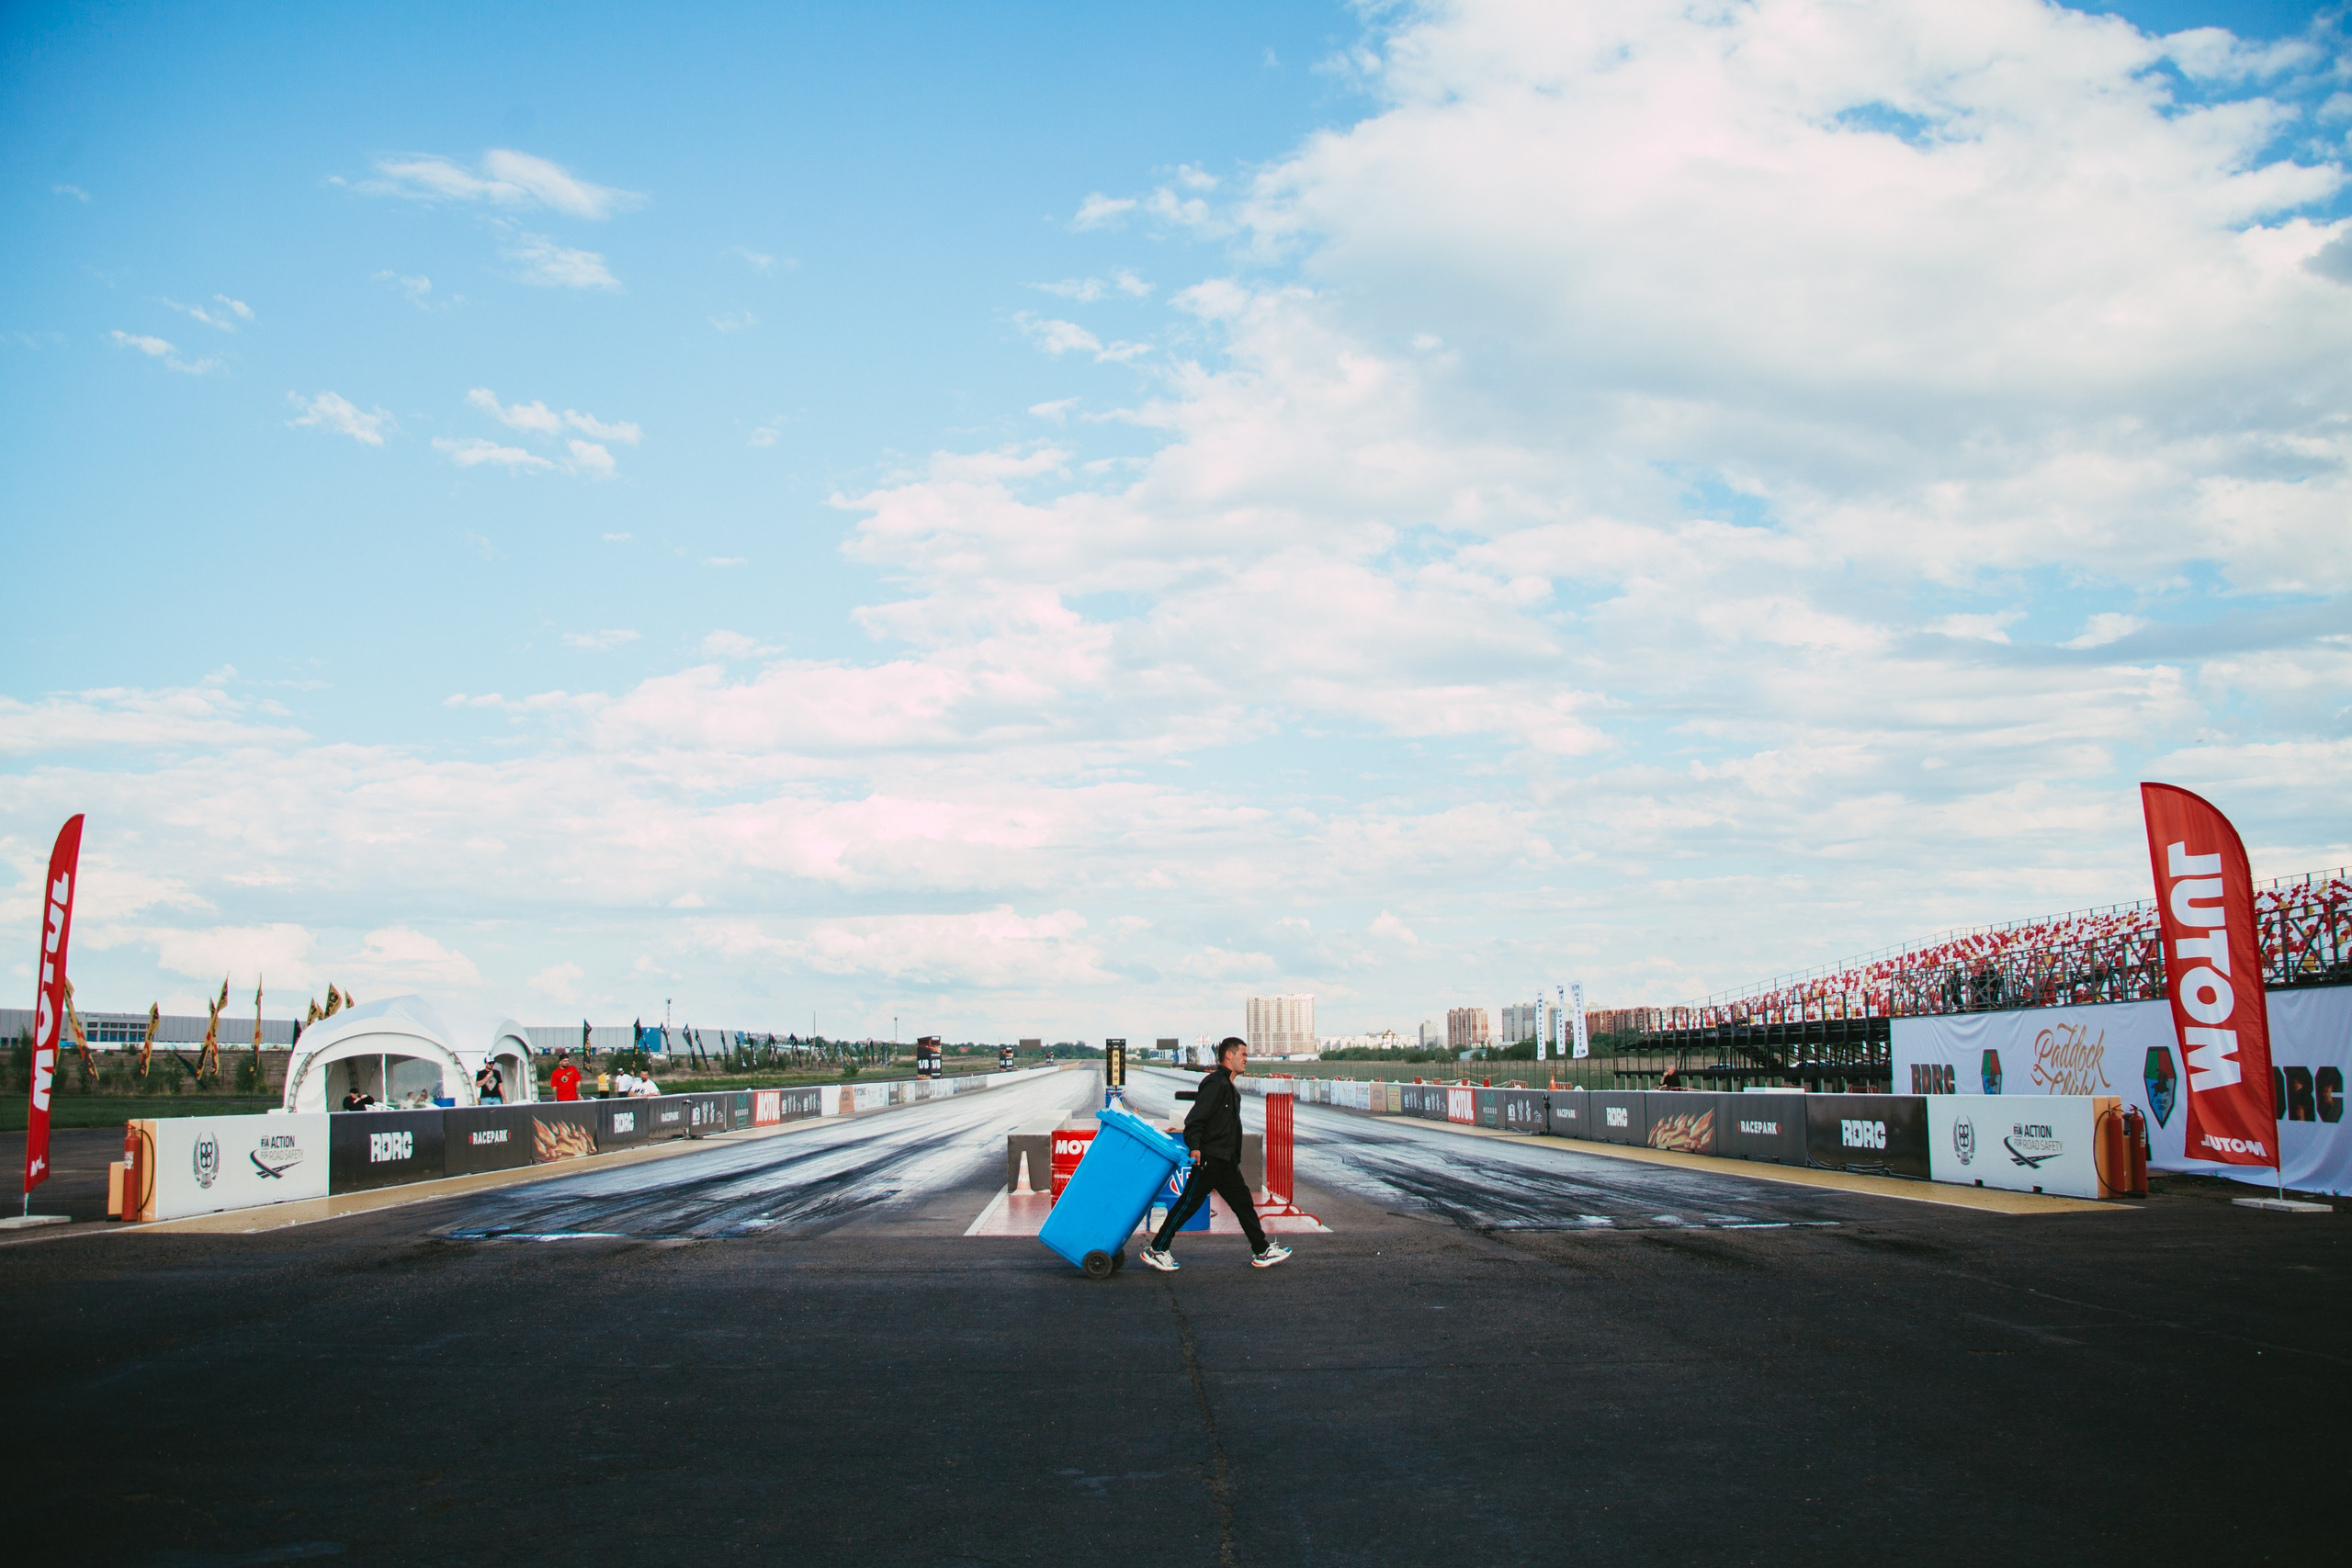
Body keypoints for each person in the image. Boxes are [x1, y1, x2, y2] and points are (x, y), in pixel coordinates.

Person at [1140, 1037, 1290, 1271]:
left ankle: (1262, 1250)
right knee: (1188, 1205)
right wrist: (1195, 1147)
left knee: (1243, 1205)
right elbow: (1195, 1119)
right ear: (1228, 1056)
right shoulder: (1215, 1083)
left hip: (1226, 1162)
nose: (1246, 1060)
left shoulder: (1228, 1086)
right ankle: (1158, 1248)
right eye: (1243, 1055)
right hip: (1210, 1159)